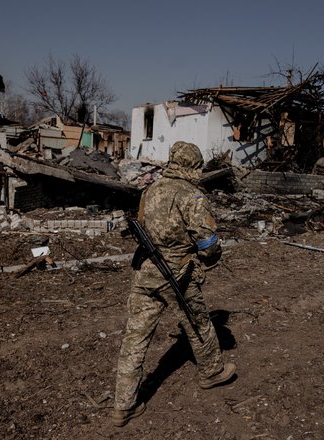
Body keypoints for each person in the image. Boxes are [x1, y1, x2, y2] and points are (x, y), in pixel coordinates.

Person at [112, 141, 236, 427]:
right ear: (193, 165)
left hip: (146, 272)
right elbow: (207, 241)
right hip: (178, 273)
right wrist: (209, 257)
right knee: (198, 323)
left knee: (135, 339)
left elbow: (142, 226)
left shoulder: (150, 190)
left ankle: (124, 405)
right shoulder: (192, 196)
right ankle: (212, 371)